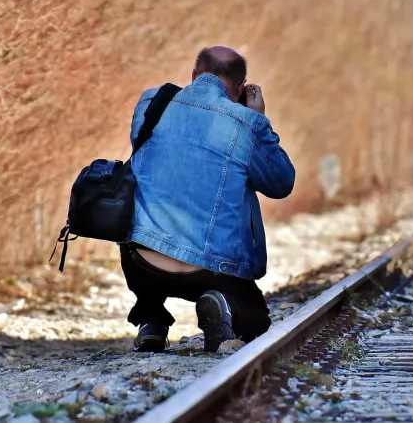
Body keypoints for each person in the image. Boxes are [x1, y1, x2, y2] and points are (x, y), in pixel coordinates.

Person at [120, 46, 296, 353]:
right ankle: (221, 304)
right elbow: (280, 183)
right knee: (256, 323)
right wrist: (256, 120)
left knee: (145, 210)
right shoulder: (245, 123)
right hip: (210, 271)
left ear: (193, 75)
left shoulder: (152, 103)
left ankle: (151, 318)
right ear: (241, 88)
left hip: (143, 261)